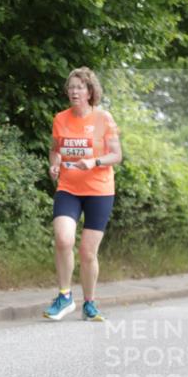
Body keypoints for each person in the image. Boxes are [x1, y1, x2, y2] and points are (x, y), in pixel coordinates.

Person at [44, 67, 122, 322]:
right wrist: (54, 164)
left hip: (99, 190)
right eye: (71, 87)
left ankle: (89, 302)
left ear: (90, 92)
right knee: (63, 239)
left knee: (88, 252)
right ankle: (65, 296)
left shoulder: (104, 119)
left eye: (80, 87)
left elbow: (116, 156)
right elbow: (56, 149)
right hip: (68, 188)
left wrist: (95, 162)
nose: (74, 91)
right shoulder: (60, 118)